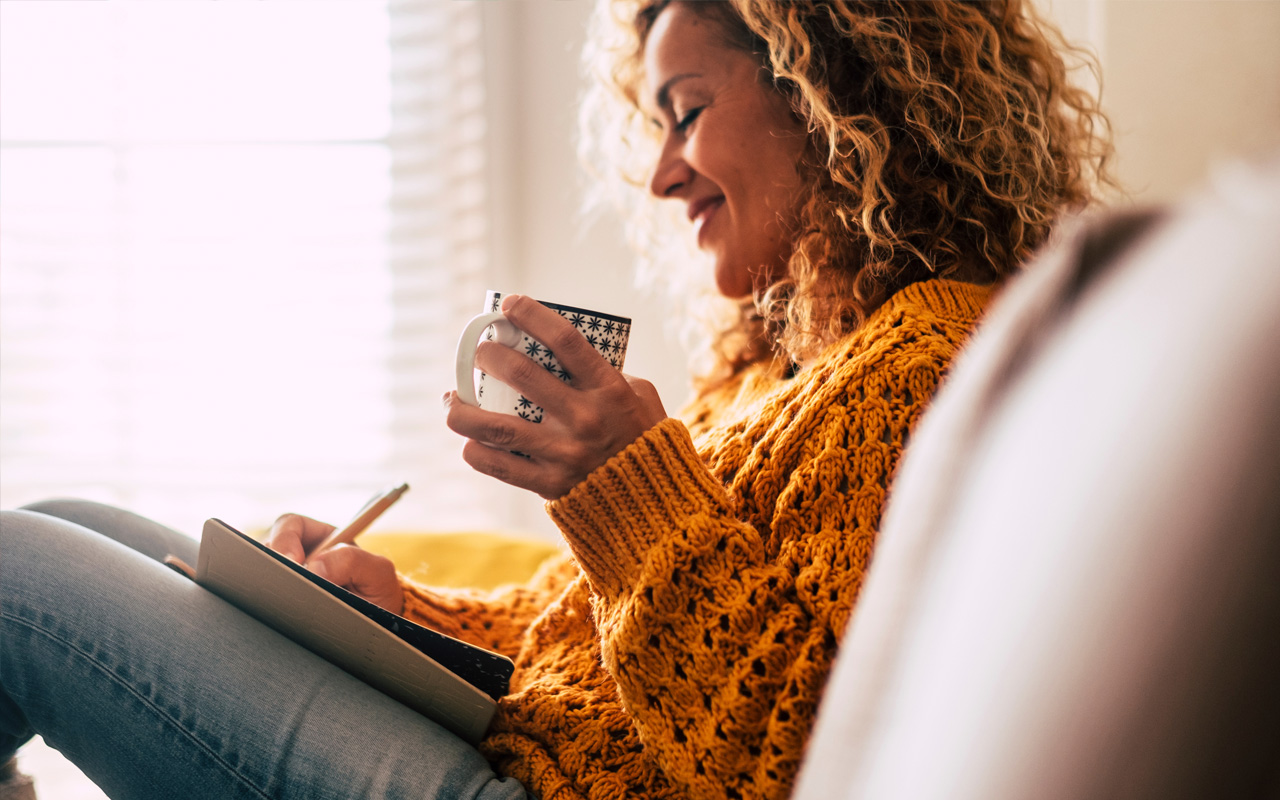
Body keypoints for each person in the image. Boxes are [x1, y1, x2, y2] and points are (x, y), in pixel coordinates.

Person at [0, 1, 1111, 798]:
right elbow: (578, 646)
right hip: (527, 745)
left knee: (12, 568)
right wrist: (396, 615)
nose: (661, 172)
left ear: (829, 96)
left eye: (685, 111)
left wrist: (625, 486)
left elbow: (794, 758)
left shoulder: (925, 362)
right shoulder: (782, 366)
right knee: (69, 522)